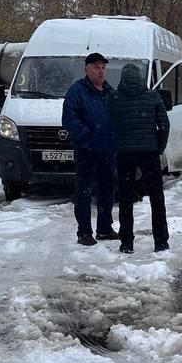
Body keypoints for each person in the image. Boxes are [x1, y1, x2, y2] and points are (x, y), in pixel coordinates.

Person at [107, 63, 170, 254]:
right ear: (140, 78)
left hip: (124, 153)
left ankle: (127, 242)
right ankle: (161, 241)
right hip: (149, 152)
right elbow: (164, 125)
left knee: (126, 198)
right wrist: (158, 147)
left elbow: (109, 125)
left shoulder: (114, 98)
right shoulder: (152, 96)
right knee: (156, 197)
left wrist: (117, 144)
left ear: (122, 79)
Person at [62, 52, 119, 246]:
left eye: (103, 67)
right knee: (84, 192)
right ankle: (84, 232)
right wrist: (89, 137)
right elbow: (70, 120)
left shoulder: (110, 92)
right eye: (96, 67)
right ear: (86, 69)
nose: (100, 71)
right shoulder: (77, 91)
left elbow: (117, 119)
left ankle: (104, 228)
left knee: (107, 190)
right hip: (86, 150)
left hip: (108, 151)